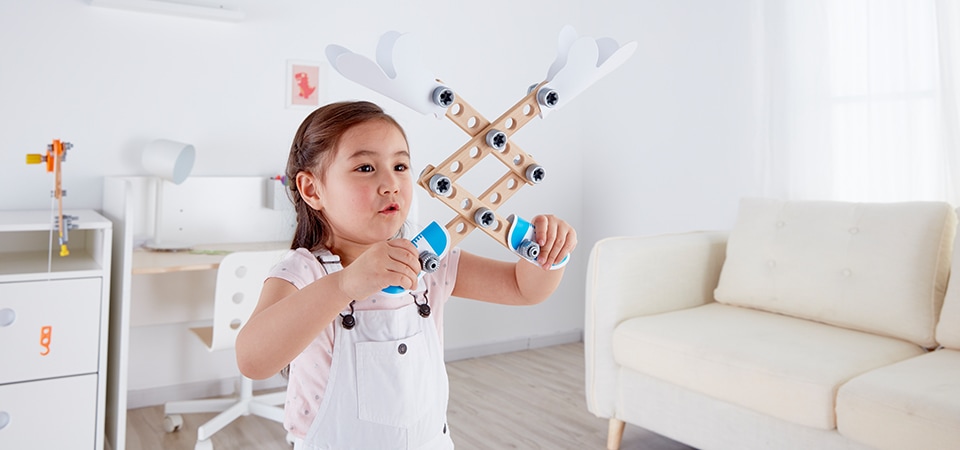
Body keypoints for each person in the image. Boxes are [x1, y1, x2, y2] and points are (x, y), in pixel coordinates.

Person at [235, 100, 577, 449]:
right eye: (365, 167)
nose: (391, 183)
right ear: (312, 189)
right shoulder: (304, 271)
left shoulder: (430, 261)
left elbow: (522, 288)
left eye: (400, 166)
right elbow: (253, 361)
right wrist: (344, 285)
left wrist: (551, 252)